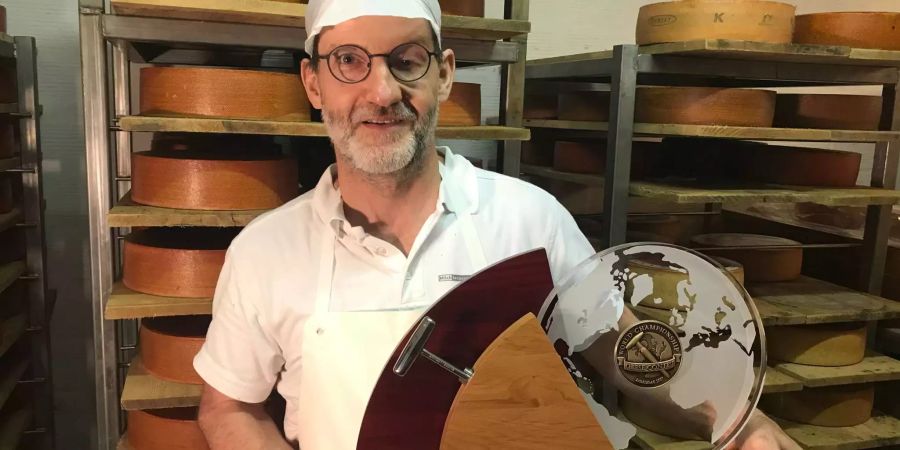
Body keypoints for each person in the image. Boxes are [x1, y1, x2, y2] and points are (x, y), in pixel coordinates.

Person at [192, 1, 801, 449]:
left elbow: (625, 353)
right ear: (313, 84)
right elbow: (229, 408)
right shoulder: (265, 252)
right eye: (348, 62)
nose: (382, 92)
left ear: (444, 75)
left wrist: (741, 424)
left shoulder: (527, 219)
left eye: (407, 61)